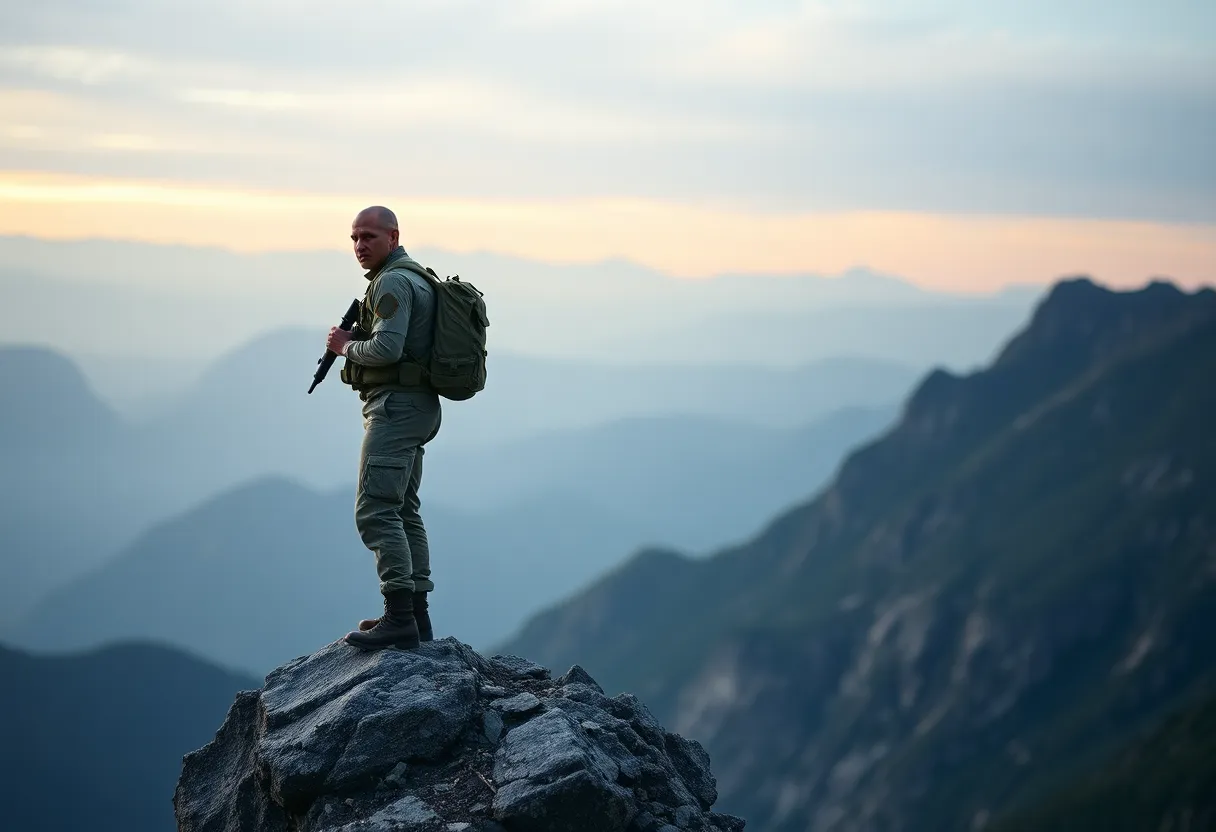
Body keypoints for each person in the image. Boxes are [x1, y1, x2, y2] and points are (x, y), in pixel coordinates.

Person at [325, 205, 441, 650]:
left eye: (369, 237)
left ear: (393, 237)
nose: (359, 246)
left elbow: (388, 348)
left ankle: (399, 618)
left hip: (396, 409)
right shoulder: (416, 276)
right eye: (354, 238)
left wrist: (345, 346)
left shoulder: (392, 281)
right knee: (404, 509)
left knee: (375, 509)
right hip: (419, 407)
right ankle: (416, 618)